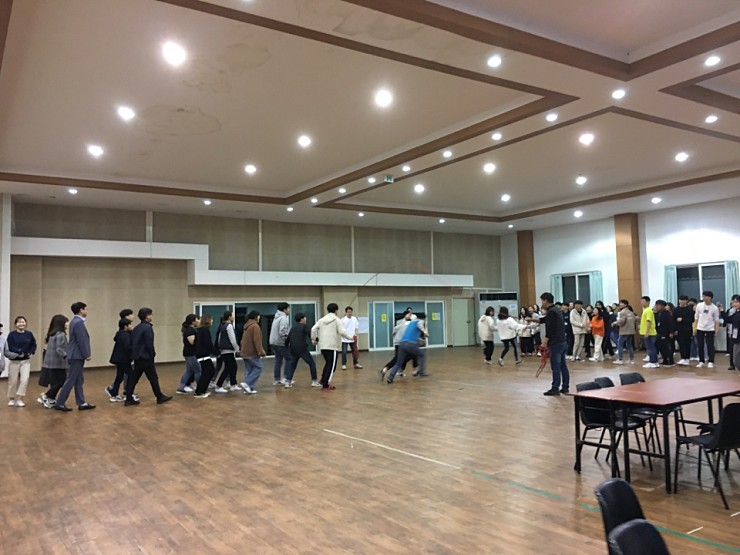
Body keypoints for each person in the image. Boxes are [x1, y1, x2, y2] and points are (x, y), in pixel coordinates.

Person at [125, 307, 172, 406]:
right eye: (151, 314)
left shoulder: (137, 328)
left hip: (138, 357)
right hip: (146, 357)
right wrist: (152, 354)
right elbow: (149, 343)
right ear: (147, 316)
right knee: (153, 377)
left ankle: (128, 398)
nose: (152, 316)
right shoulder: (147, 328)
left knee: (134, 378)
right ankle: (159, 397)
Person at [54, 302, 95, 411]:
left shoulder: (75, 321)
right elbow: (82, 340)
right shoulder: (78, 322)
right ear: (81, 310)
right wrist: (87, 354)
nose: (87, 311)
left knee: (78, 380)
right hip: (76, 355)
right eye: (85, 309)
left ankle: (81, 402)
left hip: (75, 354)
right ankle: (60, 402)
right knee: (71, 379)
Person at [533, 292, 569, 396]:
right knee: (563, 366)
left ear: (545, 300)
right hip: (563, 342)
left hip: (555, 343)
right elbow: (545, 319)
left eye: (542, 300)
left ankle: (555, 388)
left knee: (556, 366)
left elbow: (550, 329)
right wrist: (532, 319)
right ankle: (565, 387)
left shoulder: (551, 312)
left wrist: (544, 343)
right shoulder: (556, 310)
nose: (541, 303)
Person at [311, 303, 353, 390]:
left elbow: (313, 329)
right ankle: (326, 384)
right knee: (332, 366)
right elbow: (342, 332)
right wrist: (351, 337)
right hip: (332, 346)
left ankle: (323, 380)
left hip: (323, 346)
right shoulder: (337, 320)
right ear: (336, 310)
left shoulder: (321, 320)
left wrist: (314, 340)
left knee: (328, 364)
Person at [386, 312, 429, 383]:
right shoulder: (419, 321)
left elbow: (410, 335)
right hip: (410, 344)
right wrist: (425, 332)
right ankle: (421, 372)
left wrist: (420, 340)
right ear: (423, 318)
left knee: (399, 362)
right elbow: (420, 325)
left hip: (402, 344)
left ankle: (390, 377)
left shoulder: (411, 323)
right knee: (422, 355)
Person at [5, 316, 37, 408]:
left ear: (25, 323)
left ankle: (19, 398)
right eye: (19, 322)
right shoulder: (12, 335)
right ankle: (11, 398)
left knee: (24, 379)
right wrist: (18, 352)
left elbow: (33, 345)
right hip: (14, 361)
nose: (21, 324)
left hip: (25, 361)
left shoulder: (29, 334)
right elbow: (10, 346)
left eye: (23, 322)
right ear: (16, 324)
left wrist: (31, 352)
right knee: (13, 380)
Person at [37, 314, 69, 409]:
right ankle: (46, 396)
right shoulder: (61, 334)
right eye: (66, 322)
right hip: (58, 364)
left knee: (56, 382)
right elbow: (59, 349)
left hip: (50, 364)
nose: (68, 324)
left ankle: (51, 399)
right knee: (61, 382)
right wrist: (67, 356)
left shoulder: (52, 334)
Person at [285, 313, 320, 388]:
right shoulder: (304, 326)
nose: (306, 319)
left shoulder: (293, 328)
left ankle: (288, 381)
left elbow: (288, 338)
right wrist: (316, 340)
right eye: (305, 318)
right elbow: (311, 334)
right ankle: (314, 381)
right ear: (302, 319)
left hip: (293, 348)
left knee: (292, 365)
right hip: (302, 348)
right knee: (311, 363)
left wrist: (286, 346)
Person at [380, 309, 417, 377]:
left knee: (404, 357)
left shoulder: (401, 322)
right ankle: (389, 371)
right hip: (402, 343)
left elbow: (394, 331)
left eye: (411, 314)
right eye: (409, 314)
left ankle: (388, 369)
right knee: (401, 358)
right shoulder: (406, 323)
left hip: (400, 342)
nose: (410, 316)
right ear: (405, 314)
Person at [105, 318, 133, 402]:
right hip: (124, 359)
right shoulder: (125, 335)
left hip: (118, 359)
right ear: (125, 326)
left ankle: (114, 393)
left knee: (119, 376)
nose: (131, 326)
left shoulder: (119, 334)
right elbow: (128, 347)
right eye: (130, 325)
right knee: (131, 375)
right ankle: (128, 394)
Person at [240, 310, 266, 394]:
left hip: (245, 351)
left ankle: (249, 388)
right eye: (259, 316)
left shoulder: (246, 326)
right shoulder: (255, 326)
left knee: (249, 369)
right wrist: (261, 352)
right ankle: (247, 383)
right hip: (252, 352)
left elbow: (242, 340)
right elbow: (257, 341)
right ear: (256, 317)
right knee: (259, 368)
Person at [214, 311, 241, 393]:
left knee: (233, 366)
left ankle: (233, 384)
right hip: (228, 350)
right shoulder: (229, 326)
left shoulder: (222, 326)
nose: (234, 317)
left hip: (224, 350)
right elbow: (232, 339)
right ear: (229, 317)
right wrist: (237, 349)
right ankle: (219, 385)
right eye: (233, 315)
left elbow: (219, 339)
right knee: (228, 368)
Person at [192, 314, 217, 398]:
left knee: (209, 371)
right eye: (211, 319)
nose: (212, 321)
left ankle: (201, 390)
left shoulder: (199, 330)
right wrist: (215, 352)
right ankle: (199, 392)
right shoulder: (205, 330)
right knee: (208, 372)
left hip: (201, 354)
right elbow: (208, 343)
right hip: (203, 355)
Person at [694, 290, 720, 369]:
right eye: (703, 296)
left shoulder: (714, 308)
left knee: (710, 346)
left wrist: (716, 330)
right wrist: (695, 327)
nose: (704, 298)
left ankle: (711, 361)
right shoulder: (699, 305)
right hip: (700, 328)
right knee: (700, 345)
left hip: (710, 328)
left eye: (705, 296)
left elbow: (716, 320)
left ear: (710, 297)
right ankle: (701, 361)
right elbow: (696, 317)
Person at [176, 314, 200, 394]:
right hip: (190, 353)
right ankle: (200, 387)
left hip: (188, 353)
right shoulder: (190, 330)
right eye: (197, 319)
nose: (198, 321)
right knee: (197, 370)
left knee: (189, 370)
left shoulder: (191, 329)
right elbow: (192, 342)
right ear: (193, 321)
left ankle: (181, 388)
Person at [672, 295, 694, 366]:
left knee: (687, 344)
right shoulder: (676, 309)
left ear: (686, 301)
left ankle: (687, 358)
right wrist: (674, 329)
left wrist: (682, 319)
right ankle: (683, 358)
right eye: (680, 300)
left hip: (687, 330)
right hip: (679, 330)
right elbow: (673, 320)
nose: (681, 301)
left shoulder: (689, 309)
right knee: (681, 344)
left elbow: (692, 319)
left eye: (683, 300)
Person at [654, 300, 675, 367]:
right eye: (656, 305)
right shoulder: (658, 313)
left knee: (666, 348)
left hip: (666, 333)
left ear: (662, 306)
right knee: (661, 347)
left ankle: (670, 361)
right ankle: (665, 359)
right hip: (660, 333)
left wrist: (671, 332)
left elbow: (670, 323)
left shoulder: (666, 313)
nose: (657, 307)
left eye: (658, 305)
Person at [640, 296, 658, 369]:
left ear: (648, 302)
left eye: (643, 301)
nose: (641, 303)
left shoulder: (648, 311)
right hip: (649, 333)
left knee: (650, 348)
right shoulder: (646, 310)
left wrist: (646, 332)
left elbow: (649, 322)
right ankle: (655, 362)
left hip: (650, 333)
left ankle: (652, 362)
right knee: (651, 347)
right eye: (641, 301)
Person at [727, 294, 740, 373]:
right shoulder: (736, 313)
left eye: (736, 302)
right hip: (736, 338)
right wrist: (722, 311)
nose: (734, 304)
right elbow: (728, 319)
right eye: (734, 302)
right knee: (736, 359)